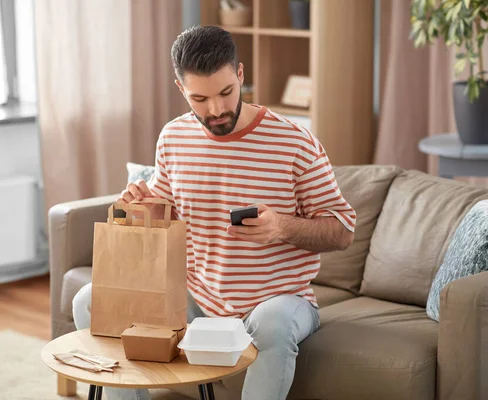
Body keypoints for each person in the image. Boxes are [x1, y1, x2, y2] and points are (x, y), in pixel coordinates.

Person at [73, 25, 356, 400]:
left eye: (226, 92)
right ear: (181, 90)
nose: (217, 110)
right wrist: (140, 207)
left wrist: (281, 228)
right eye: (200, 99)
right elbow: (165, 218)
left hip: (277, 301)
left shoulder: (294, 142)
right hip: (195, 295)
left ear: (240, 75)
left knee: (272, 324)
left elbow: (342, 231)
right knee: (89, 301)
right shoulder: (173, 138)